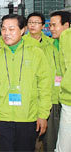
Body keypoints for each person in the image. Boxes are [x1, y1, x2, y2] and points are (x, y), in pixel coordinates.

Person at [0, 14, 52, 151]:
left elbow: (44, 86)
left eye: (11, 29)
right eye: (3, 29)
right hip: (2, 116)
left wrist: (43, 115)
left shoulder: (36, 53)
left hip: (28, 117)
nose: (6, 33)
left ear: (22, 30)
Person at [24, 12, 60, 151]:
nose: (33, 25)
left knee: (50, 136)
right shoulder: (22, 43)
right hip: (29, 95)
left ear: (43, 25)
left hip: (48, 94)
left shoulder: (51, 44)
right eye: (30, 22)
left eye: (36, 22)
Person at [50, 11, 71, 152]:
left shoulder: (67, 36)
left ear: (66, 25)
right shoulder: (54, 42)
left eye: (54, 25)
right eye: (50, 25)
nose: (50, 28)